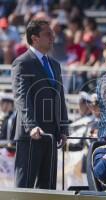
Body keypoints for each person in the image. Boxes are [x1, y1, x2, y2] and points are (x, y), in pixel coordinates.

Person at [12, 20, 69, 189]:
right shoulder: (22, 62)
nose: (53, 37)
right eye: (48, 34)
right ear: (34, 38)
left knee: (48, 187)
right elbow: (21, 97)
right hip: (31, 134)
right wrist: (31, 126)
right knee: (25, 187)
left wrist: (64, 128)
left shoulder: (55, 65)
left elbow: (60, 98)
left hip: (51, 135)